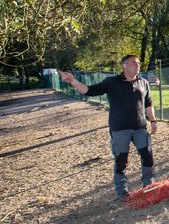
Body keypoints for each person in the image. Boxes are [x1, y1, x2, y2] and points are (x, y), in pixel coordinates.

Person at [59, 55, 159, 201]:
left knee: (147, 157)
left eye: (138, 62)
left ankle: (149, 186)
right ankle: (122, 193)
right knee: (121, 161)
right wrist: (73, 81)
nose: (138, 65)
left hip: (140, 128)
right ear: (124, 65)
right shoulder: (112, 82)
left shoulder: (143, 83)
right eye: (134, 62)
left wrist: (153, 121)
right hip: (119, 129)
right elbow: (88, 90)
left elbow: (148, 104)